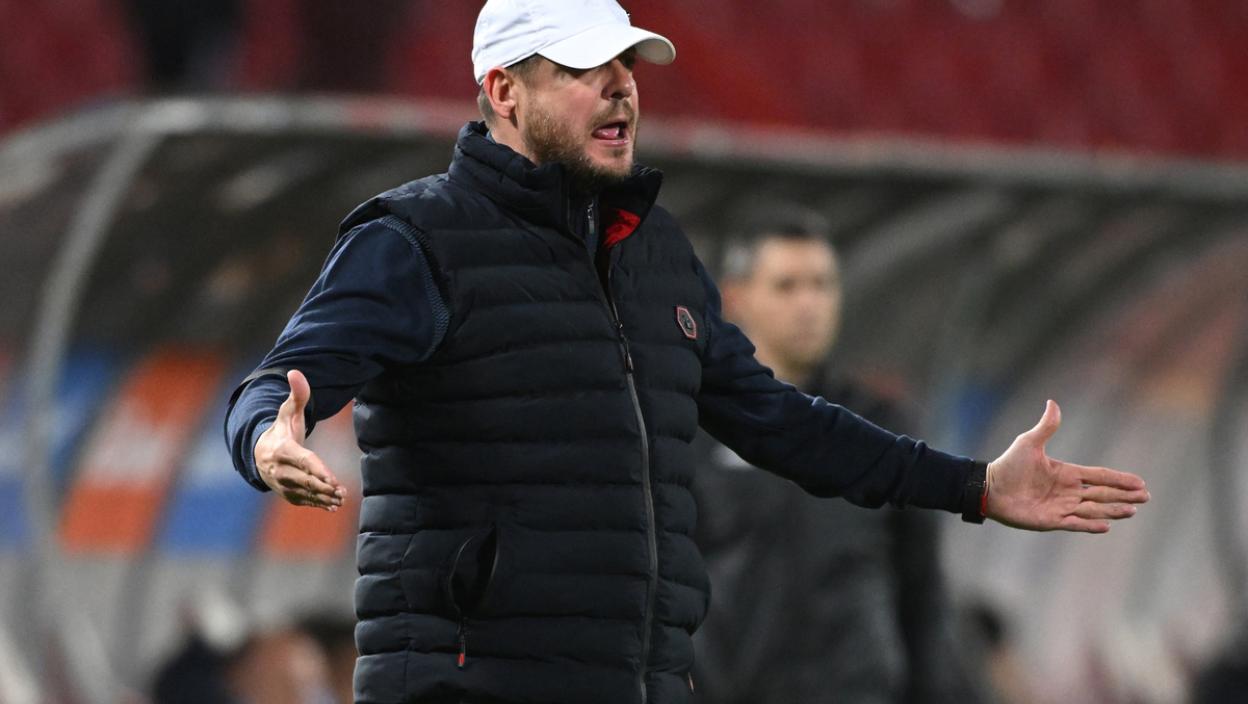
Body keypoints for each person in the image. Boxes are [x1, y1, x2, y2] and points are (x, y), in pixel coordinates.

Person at [223, 1, 1150, 702]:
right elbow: (278, 383)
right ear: (504, 91)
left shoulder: (652, 251)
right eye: (585, 67)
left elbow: (783, 421)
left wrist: (975, 487)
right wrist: (267, 438)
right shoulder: (416, 239)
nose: (621, 85)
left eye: (627, 62)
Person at [690, 207, 982, 704]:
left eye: (822, 285)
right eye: (787, 286)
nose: (809, 304)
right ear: (735, 297)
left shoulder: (881, 425)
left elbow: (922, 588)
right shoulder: (692, 427)